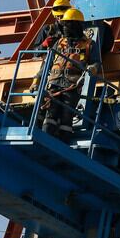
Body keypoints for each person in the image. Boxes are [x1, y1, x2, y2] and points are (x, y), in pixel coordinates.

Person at [39, 7, 96, 143]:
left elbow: (95, 62)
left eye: (68, 24)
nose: (64, 27)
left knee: (66, 114)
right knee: (50, 112)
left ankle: (62, 143)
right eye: (64, 24)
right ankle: (44, 140)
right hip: (54, 82)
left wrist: (93, 68)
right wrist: (37, 81)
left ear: (76, 25)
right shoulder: (60, 42)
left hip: (71, 85)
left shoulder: (89, 45)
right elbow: (48, 62)